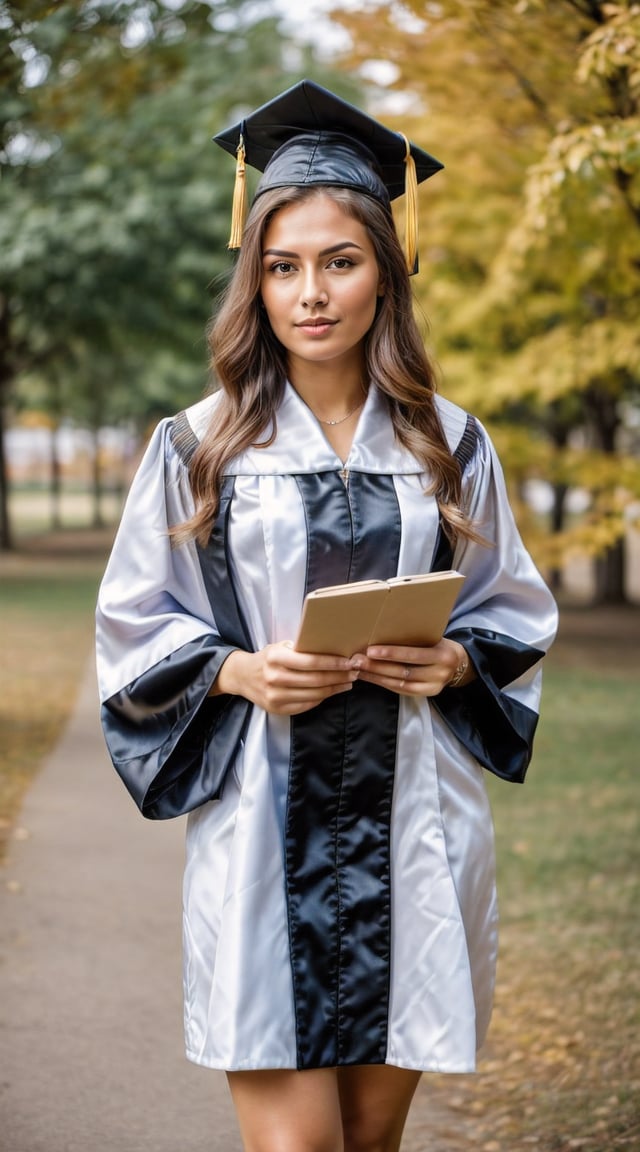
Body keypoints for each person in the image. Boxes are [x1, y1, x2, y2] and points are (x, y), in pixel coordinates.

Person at [96, 80, 558, 1152]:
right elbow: (132, 622)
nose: (311, 293)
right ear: (253, 279)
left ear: (385, 275)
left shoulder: (450, 445)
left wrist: (450, 664)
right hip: (264, 828)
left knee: (369, 1144)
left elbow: (514, 614)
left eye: (340, 262)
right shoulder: (198, 447)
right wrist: (234, 672)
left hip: (416, 833)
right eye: (282, 265)